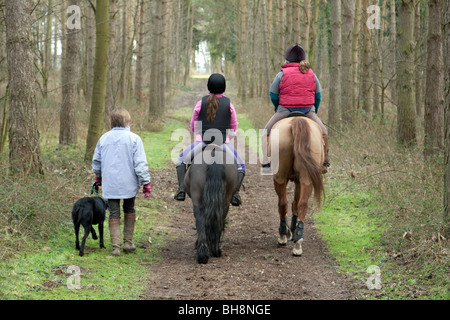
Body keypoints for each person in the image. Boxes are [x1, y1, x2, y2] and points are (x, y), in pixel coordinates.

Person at [174, 73, 245, 206]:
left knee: (181, 160)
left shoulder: (200, 103)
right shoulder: (229, 105)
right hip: (223, 144)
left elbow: (194, 126)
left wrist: (200, 135)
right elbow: (234, 129)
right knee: (241, 166)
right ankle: (235, 194)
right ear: (224, 87)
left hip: (202, 143)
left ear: (208, 86)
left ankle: (181, 190)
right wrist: (228, 137)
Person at [261, 44, 330, 174]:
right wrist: (314, 110)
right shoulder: (311, 74)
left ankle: (266, 162)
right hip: (308, 110)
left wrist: (278, 107)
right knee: (324, 133)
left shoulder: (281, 74)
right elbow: (318, 96)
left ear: (288, 59)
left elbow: (273, 94)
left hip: (285, 110)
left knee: (265, 132)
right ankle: (325, 161)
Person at [92, 108, 151, 256]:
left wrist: (98, 177)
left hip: (110, 183)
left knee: (113, 212)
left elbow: (97, 162)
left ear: (111, 122)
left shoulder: (103, 138)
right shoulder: (134, 139)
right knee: (129, 209)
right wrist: (145, 182)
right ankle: (128, 243)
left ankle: (115, 247)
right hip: (129, 182)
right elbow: (140, 163)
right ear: (127, 121)